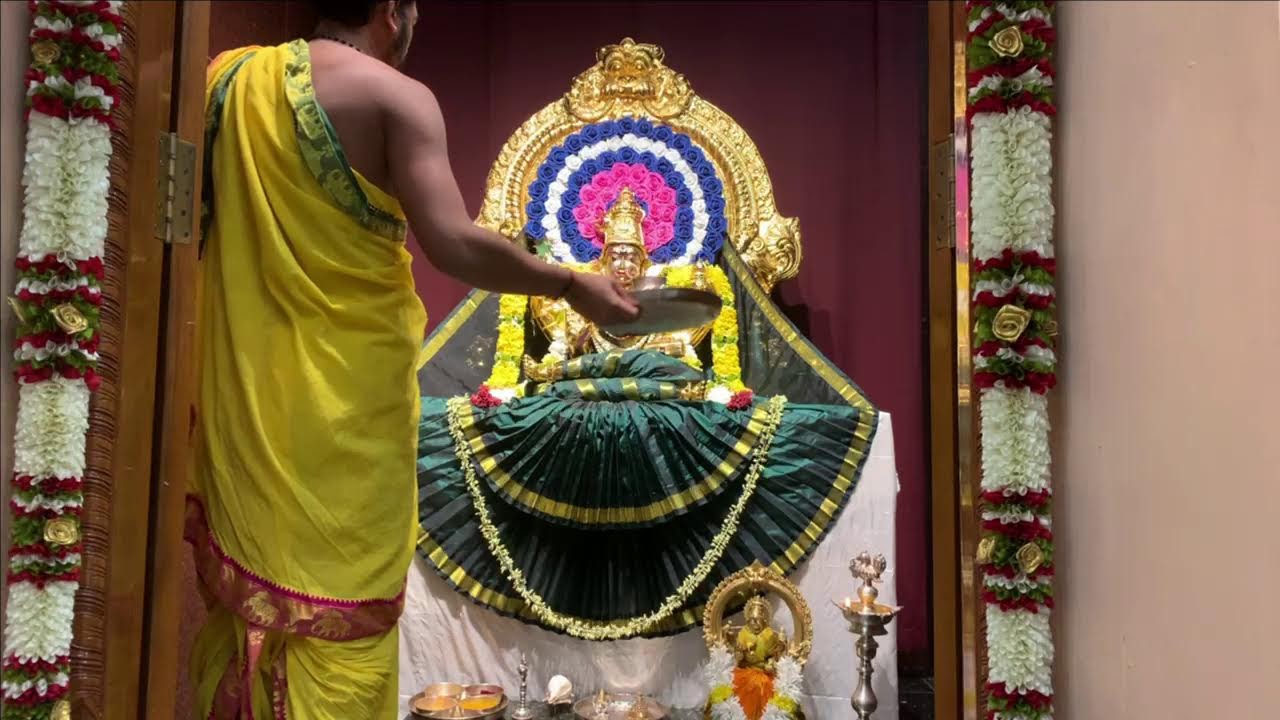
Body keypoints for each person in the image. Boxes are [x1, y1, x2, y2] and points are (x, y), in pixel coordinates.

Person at [186, 1, 637, 718]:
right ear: (392, 12)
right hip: (349, 409)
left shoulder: (227, 80)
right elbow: (453, 242)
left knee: (249, 613)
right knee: (343, 613)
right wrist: (571, 284)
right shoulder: (395, 97)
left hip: (246, 391)